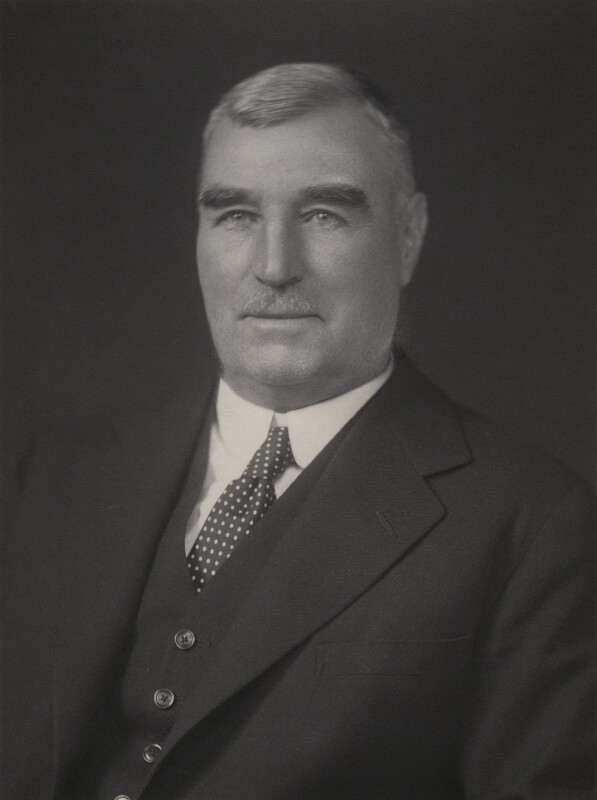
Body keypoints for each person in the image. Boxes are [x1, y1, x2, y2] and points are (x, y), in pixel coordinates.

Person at [2, 63, 593, 800]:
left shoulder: (534, 527)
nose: (275, 266)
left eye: (323, 215)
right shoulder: (58, 474)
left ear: (408, 237)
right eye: (235, 215)